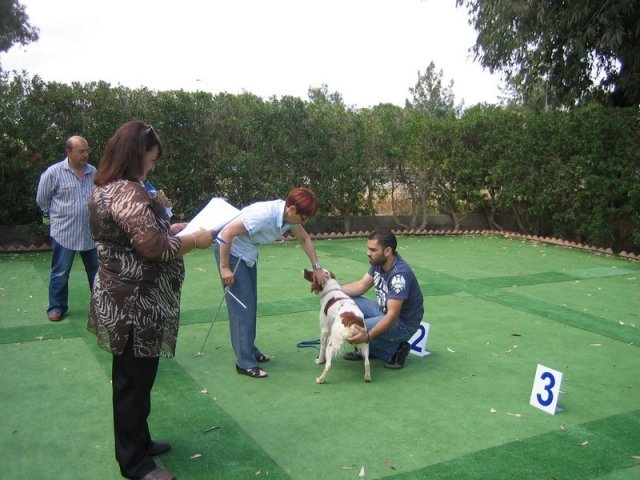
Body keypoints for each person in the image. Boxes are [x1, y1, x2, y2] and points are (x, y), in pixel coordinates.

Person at [87, 121, 215, 480]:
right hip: (134, 306)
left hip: (130, 301)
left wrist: (173, 229)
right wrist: (194, 241)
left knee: (138, 380)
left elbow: (137, 235)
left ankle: (139, 442)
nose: (153, 166)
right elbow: (153, 248)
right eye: (151, 158)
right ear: (135, 155)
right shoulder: (127, 192)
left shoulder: (107, 188)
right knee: (131, 384)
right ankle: (135, 464)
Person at [215, 188, 326, 379]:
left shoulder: (288, 219)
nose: (304, 221)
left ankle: (249, 349)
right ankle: (245, 362)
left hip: (248, 254)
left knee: (250, 304)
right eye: (303, 217)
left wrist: (317, 266)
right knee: (242, 307)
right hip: (231, 254)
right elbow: (226, 233)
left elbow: (304, 238)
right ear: (291, 209)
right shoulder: (263, 215)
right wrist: (224, 267)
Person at [35, 136, 98, 321]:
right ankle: (56, 307)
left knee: (97, 272)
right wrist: (52, 217)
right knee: (60, 273)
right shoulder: (53, 173)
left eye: (87, 151)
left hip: (89, 233)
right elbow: (42, 199)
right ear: (68, 152)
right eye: (81, 151)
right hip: (64, 233)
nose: (85, 155)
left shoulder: (93, 172)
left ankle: (101, 308)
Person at [342, 229, 424, 369]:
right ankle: (372, 349)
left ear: (387, 251)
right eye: (368, 249)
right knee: (345, 301)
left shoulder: (400, 275)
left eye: (373, 250)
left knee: (353, 328)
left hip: (402, 324)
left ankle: (395, 350)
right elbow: (361, 286)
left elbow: (392, 316)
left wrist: (368, 336)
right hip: (384, 312)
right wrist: (330, 291)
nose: (368, 253)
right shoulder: (378, 263)